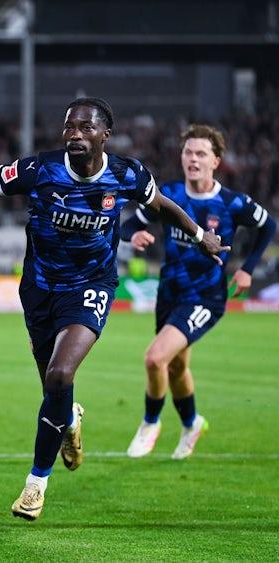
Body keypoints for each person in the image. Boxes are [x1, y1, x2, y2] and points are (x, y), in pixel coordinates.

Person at [0, 97, 227, 521]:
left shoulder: (126, 175)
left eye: (85, 128)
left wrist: (199, 233)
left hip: (91, 286)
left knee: (60, 373)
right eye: (69, 127)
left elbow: (161, 206)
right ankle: (69, 418)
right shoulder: (39, 170)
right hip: (39, 290)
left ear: (104, 135)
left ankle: (35, 485)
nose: (75, 134)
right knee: (53, 391)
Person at [121, 124, 275, 460]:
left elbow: (269, 226)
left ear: (216, 161)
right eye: (188, 152)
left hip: (205, 296)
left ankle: (150, 422)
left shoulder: (232, 203)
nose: (193, 158)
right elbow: (129, 224)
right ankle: (192, 424)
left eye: (201, 153)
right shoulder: (169, 196)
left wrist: (247, 268)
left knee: (154, 358)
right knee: (176, 367)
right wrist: (132, 236)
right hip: (170, 292)